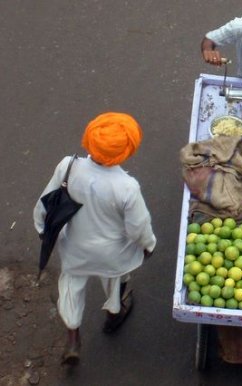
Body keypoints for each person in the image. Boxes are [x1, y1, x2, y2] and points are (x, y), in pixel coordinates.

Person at [33, 112, 157, 365]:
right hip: (113, 253)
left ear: (89, 139)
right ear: (127, 150)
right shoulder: (127, 187)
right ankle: (113, 315)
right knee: (114, 283)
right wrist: (148, 245)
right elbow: (138, 226)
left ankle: (72, 337)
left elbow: (46, 201)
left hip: (75, 247)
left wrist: (41, 228)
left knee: (70, 286)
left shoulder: (68, 165)